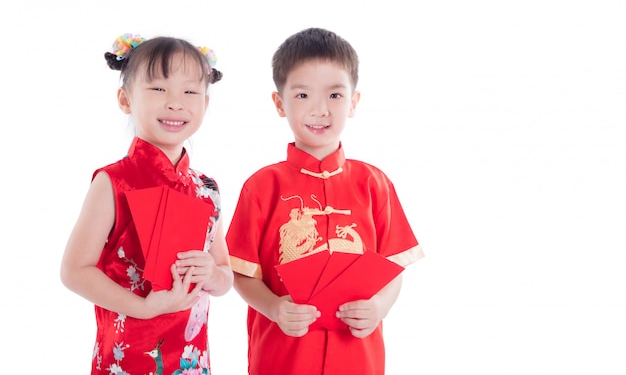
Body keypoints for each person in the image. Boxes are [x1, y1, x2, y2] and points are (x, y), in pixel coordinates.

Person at [225, 27, 425, 375]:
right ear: (279, 103)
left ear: (354, 102)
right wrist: (274, 308)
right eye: (302, 96)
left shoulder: (374, 183)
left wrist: (379, 306)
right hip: (283, 356)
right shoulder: (261, 186)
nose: (320, 110)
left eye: (334, 95)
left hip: (358, 357)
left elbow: (392, 269)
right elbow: (242, 272)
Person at [60, 33, 233, 374]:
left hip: (191, 358)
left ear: (206, 104)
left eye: (190, 92)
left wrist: (211, 274)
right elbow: (74, 271)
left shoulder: (207, 188)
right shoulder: (113, 182)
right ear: (125, 99)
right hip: (128, 356)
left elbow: (226, 274)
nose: (175, 102)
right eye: (158, 89)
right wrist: (145, 308)